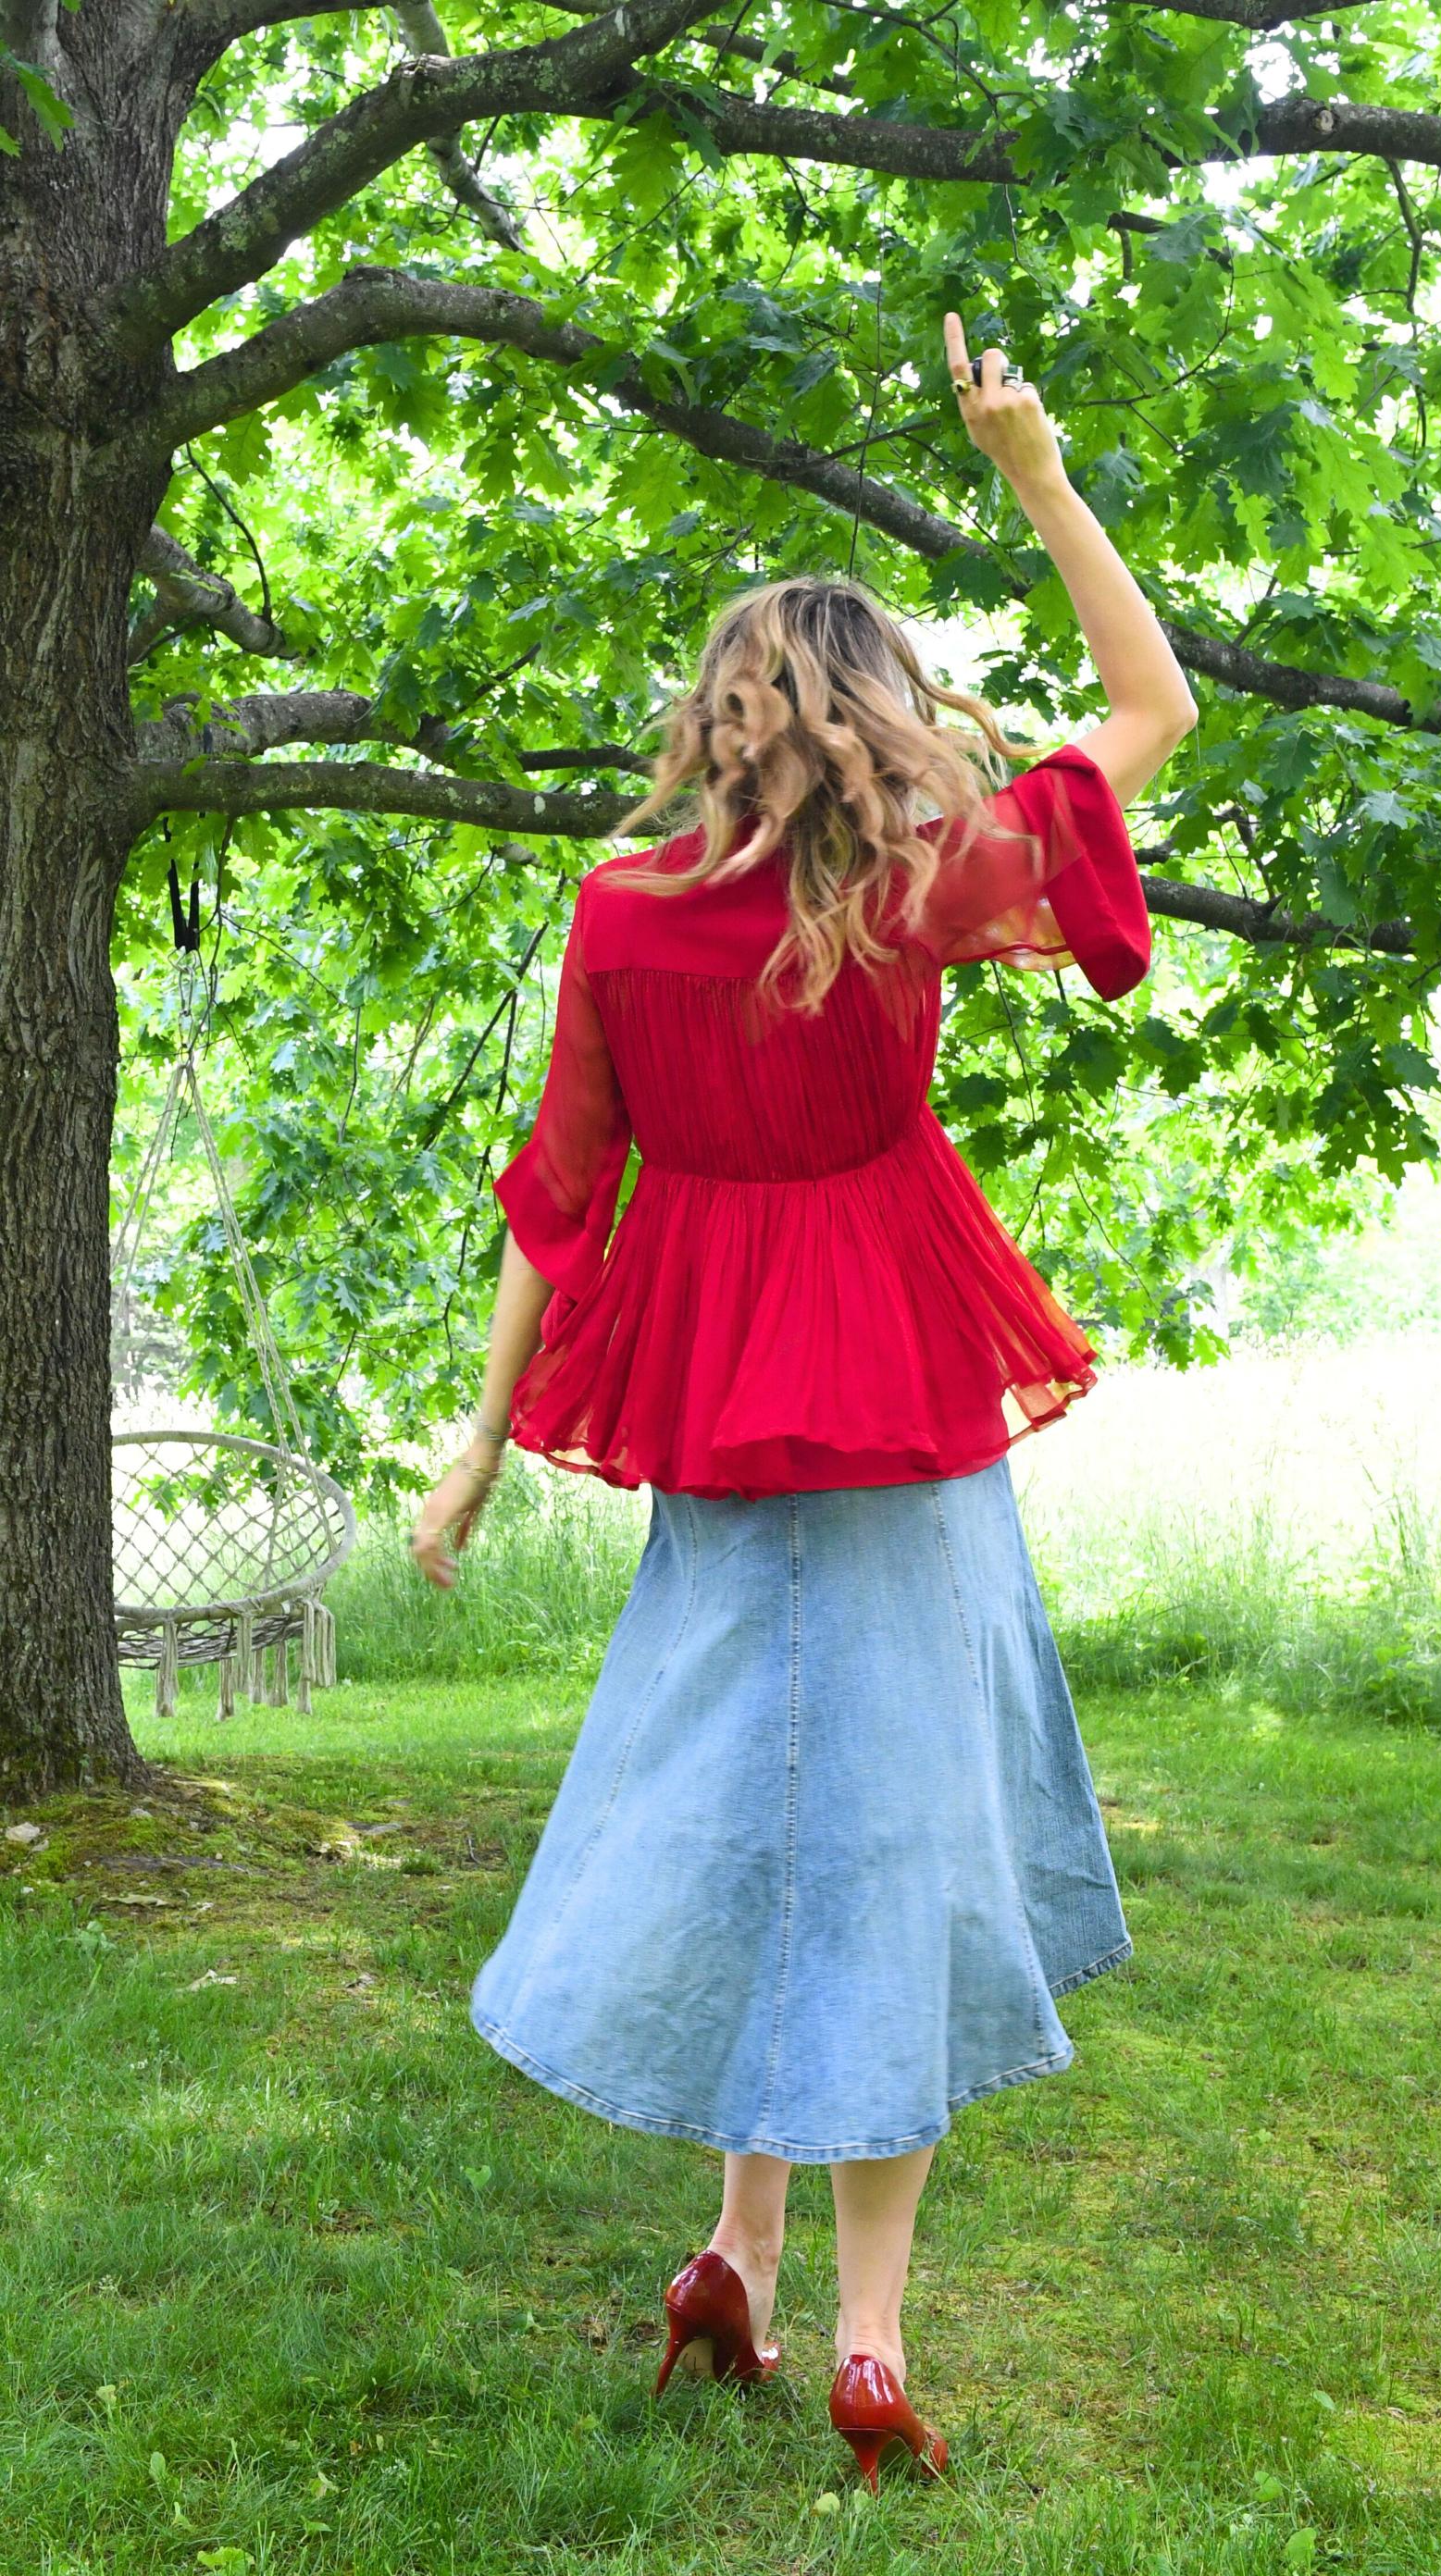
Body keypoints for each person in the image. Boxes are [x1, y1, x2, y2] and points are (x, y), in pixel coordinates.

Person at [408, 312, 1199, 2488]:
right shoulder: (911, 882)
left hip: (717, 1416)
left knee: (758, 1809)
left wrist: (481, 1442)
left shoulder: (624, 907)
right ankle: (854, 2330)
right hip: (906, 1397)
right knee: (890, 1840)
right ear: (869, 720)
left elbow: (559, 1201)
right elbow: (1155, 709)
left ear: (722, 718)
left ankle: (730, 2257)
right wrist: (1034, 467)